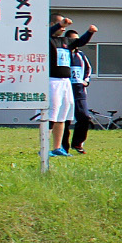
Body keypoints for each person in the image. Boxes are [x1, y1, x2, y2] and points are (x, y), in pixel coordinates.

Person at [45, 17, 95, 157]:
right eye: (59, 25)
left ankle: (57, 148)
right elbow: (46, 33)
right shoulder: (47, 39)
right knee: (51, 115)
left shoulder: (66, 42)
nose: (63, 27)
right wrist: (60, 24)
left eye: (64, 25)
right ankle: (44, 146)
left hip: (66, 82)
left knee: (63, 115)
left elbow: (80, 42)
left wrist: (90, 32)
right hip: (52, 80)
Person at [66, 31, 96, 155]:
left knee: (84, 117)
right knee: (64, 120)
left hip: (79, 92)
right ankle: (62, 146)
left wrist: (86, 81)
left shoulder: (81, 55)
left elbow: (88, 68)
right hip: (65, 90)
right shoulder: (62, 54)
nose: (76, 43)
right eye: (73, 40)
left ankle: (78, 143)